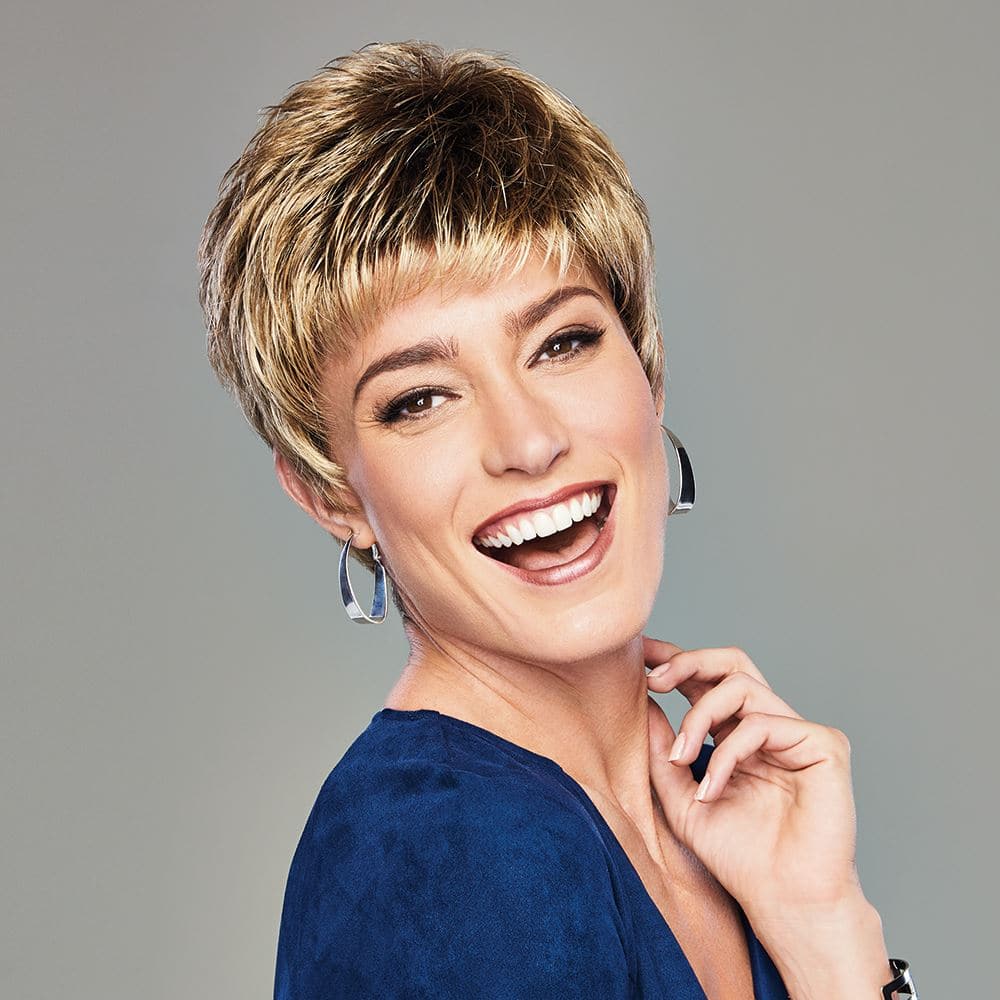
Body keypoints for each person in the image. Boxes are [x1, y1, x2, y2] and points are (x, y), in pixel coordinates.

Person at [198, 41, 917, 1000]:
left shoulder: (716, 827)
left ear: (647, 371)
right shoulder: (447, 853)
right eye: (420, 399)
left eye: (562, 342)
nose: (529, 442)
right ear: (332, 495)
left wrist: (826, 933)